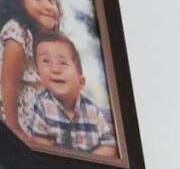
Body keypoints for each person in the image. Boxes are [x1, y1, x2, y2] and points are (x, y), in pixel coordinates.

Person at [0, 0, 66, 143]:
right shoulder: (18, 32)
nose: (48, 6)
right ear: (17, 0)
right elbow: (8, 82)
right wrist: (13, 128)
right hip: (22, 116)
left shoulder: (45, 38)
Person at [20, 30, 115, 158]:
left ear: (81, 82)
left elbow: (109, 146)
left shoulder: (93, 111)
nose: (55, 69)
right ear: (39, 75)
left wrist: (87, 161)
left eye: (63, 63)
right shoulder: (42, 105)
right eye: (46, 61)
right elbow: (38, 141)